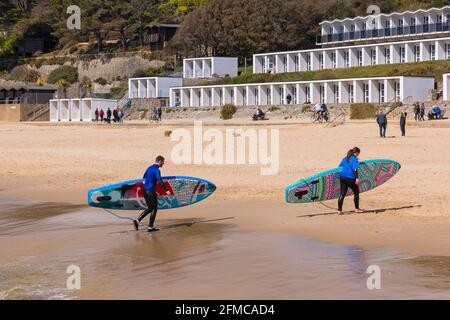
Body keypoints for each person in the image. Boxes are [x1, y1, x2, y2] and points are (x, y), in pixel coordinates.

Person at [133, 156, 171, 232]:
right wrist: (166, 190)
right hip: (150, 191)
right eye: (163, 162)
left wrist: (154, 190)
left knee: (150, 208)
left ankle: (137, 221)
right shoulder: (156, 170)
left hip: (146, 191)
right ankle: (150, 227)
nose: (163, 163)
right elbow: (160, 181)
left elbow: (144, 177)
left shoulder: (149, 168)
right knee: (154, 209)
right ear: (159, 161)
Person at [338, 147, 364, 215]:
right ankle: (357, 209)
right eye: (358, 153)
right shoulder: (354, 159)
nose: (358, 155)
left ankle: (339, 210)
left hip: (342, 178)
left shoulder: (345, 158)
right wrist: (357, 178)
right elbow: (355, 169)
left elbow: (340, 167)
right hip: (350, 178)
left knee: (342, 194)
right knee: (356, 192)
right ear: (356, 153)